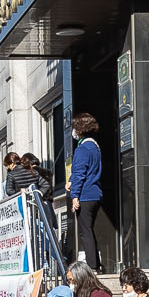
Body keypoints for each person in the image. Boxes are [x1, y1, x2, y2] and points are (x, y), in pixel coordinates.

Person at [66, 114, 105, 267]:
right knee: (89, 230)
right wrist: (71, 182)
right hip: (95, 193)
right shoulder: (94, 147)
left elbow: (79, 173)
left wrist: (75, 196)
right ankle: (95, 263)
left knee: (85, 232)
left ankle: (93, 267)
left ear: (80, 129)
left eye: (75, 127)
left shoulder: (82, 149)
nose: (74, 131)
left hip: (85, 195)